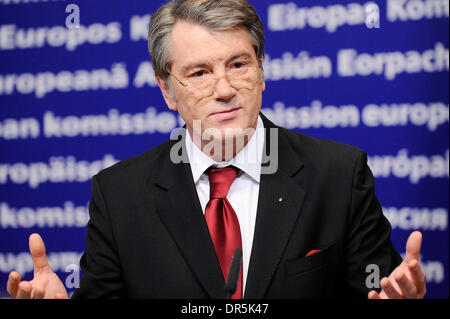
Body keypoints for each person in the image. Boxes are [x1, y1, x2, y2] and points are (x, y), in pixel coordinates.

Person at [7, 0, 426, 299]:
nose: (224, 89)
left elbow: (380, 289)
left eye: (239, 64)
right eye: (200, 72)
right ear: (167, 90)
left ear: (261, 72)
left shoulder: (338, 175)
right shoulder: (118, 196)